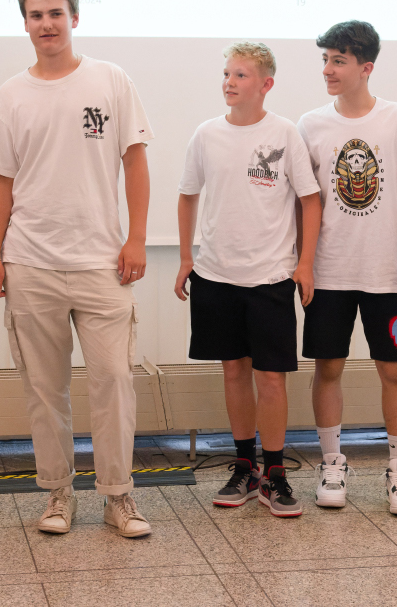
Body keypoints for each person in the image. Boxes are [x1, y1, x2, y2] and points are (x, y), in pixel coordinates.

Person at [0, 0, 153, 538]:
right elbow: (0, 182)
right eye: (36, 15)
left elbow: (135, 162)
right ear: (25, 23)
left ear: (74, 17)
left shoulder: (110, 80)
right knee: (44, 390)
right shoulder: (11, 95)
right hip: (30, 262)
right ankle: (57, 493)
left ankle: (118, 496)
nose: (46, 24)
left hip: (103, 262)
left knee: (114, 381)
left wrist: (137, 238)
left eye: (55, 13)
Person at [175, 42, 322, 518]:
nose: (229, 82)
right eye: (226, 73)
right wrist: (186, 257)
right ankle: (245, 466)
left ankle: (275, 472)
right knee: (233, 370)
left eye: (240, 75)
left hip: (270, 276)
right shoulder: (206, 134)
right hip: (216, 274)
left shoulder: (284, 133)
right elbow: (187, 195)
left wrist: (305, 263)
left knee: (271, 378)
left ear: (265, 84)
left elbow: (310, 199)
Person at [297, 21, 397, 515]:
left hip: (385, 271)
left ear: (365, 67)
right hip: (329, 270)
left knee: (393, 369)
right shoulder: (310, 124)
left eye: (339, 61)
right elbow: (305, 200)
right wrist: (302, 262)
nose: (328, 70)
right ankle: (332, 463)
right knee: (328, 366)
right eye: (325, 60)